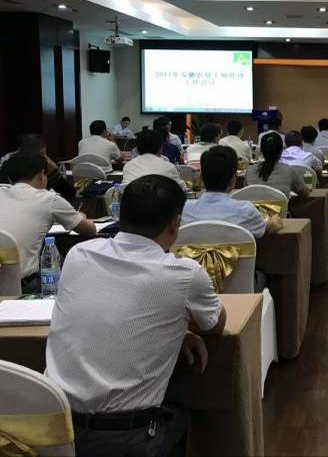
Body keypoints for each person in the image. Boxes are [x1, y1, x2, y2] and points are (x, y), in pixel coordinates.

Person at [45, 175, 225, 456]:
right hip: (127, 438)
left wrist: (175, 330)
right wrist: (180, 327)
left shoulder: (79, 254)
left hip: (53, 432)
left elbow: (112, 309)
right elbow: (215, 324)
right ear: (175, 223)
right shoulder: (184, 273)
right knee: (190, 417)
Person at [0, 152, 95, 293]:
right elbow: (90, 230)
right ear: (41, 176)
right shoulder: (50, 199)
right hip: (20, 288)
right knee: (59, 261)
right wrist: (81, 216)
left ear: (9, 178)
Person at [182, 146, 280, 238]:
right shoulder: (246, 211)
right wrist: (273, 222)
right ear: (233, 180)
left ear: (201, 179)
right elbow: (266, 229)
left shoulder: (183, 211)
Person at [0, 134, 76, 200]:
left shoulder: (10, 161)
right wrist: (53, 171)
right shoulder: (15, 169)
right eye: (43, 156)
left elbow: (69, 192)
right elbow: (69, 193)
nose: (47, 160)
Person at [246, 133, 310, 200]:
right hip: (281, 207)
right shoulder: (288, 171)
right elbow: (306, 193)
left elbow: (245, 192)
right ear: (281, 151)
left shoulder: (250, 170)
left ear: (261, 151)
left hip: (253, 207)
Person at [121, 130, 186, 189]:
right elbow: (181, 188)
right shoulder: (168, 167)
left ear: (137, 148)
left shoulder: (128, 166)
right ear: (161, 148)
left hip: (133, 198)